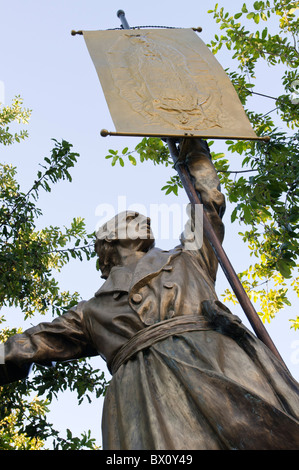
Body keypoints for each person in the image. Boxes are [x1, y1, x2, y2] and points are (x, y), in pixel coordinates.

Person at [1, 139, 299, 450]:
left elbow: (208, 203)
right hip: (143, 395)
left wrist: (193, 147)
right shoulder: (91, 312)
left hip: (220, 365)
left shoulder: (188, 259)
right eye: (132, 219)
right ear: (110, 237)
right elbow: (30, 344)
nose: (147, 219)